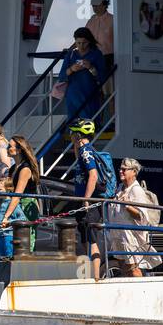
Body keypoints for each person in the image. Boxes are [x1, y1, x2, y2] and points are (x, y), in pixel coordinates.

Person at [111, 158, 161, 276]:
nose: (120, 171)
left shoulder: (136, 190)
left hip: (131, 237)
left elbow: (141, 216)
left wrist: (127, 206)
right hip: (120, 235)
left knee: (133, 268)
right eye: (120, 169)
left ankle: (141, 292)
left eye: (124, 169)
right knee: (123, 267)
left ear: (134, 172)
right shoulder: (120, 189)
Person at [69, 119, 104, 281]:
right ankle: (87, 275)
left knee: (92, 240)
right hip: (86, 203)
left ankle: (95, 277)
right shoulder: (83, 150)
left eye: (72, 133)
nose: (70, 136)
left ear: (77, 134)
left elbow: (93, 175)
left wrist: (86, 200)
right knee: (85, 239)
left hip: (89, 205)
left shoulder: (86, 151)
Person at [58, 28, 107, 123]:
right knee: (73, 123)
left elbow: (102, 77)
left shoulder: (96, 54)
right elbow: (61, 76)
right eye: (78, 43)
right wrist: (72, 69)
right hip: (72, 95)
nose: (81, 46)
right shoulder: (71, 55)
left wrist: (91, 67)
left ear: (89, 41)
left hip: (89, 94)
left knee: (88, 122)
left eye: (84, 43)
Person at [0, 134, 42, 232]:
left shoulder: (25, 169)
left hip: (26, 206)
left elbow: (17, 195)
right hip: (15, 205)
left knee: (25, 242)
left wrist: (6, 216)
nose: (7, 148)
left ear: (19, 150)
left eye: (10, 146)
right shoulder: (13, 168)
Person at [85, 0, 115, 75]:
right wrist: (70, 49)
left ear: (105, 5)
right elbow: (83, 36)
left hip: (108, 58)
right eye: (93, 6)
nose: (94, 8)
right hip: (91, 57)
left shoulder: (113, 20)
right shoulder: (91, 21)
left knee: (105, 84)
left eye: (97, 5)